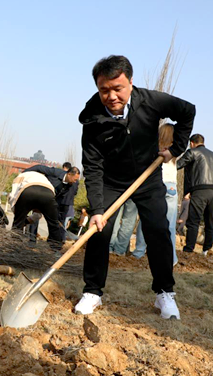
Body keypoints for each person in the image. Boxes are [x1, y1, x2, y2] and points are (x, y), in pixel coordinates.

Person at [76, 55, 195, 319]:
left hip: (148, 178)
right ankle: (93, 292)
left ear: (130, 82)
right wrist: (97, 209)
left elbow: (187, 111)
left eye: (117, 88)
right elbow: (93, 167)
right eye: (104, 90)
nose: (111, 96)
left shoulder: (151, 102)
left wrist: (176, 148)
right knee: (99, 231)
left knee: (158, 231)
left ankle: (164, 293)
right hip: (111, 181)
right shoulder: (92, 120)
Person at [133, 123, 180, 266]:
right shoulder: (176, 148)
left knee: (146, 220)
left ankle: (139, 252)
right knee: (169, 225)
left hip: (154, 184)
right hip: (171, 186)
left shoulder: (153, 146)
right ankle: (171, 258)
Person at [176, 134, 213, 256]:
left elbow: (178, 165)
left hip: (200, 189)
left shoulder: (192, 152)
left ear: (192, 143)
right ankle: (207, 250)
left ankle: (189, 249)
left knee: (193, 221)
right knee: (210, 221)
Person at [9, 170, 65, 250]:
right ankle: (56, 249)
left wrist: (18, 216)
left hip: (28, 191)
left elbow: (13, 196)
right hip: (48, 194)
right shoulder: (45, 179)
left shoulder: (20, 176)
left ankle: (14, 247)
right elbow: (38, 214)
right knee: (53, 224)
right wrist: (28, 221)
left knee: (18, 223)